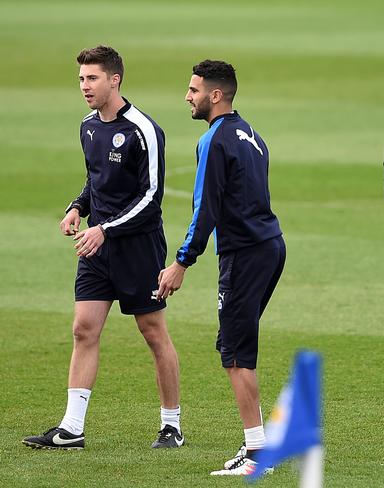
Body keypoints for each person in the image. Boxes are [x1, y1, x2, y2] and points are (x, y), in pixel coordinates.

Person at [22, 46, 184, 450]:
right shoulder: (87, 126)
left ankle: (172, 427)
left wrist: (105, 229)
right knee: (84, 329)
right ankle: (71, 428)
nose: (84, 87)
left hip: (137, 248)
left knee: (153, 333)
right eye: (81, 79)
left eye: (92, 78)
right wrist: (79, 207)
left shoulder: (143, 129)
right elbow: (96, 180)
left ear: (115, 80)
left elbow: (151, 198)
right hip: (97, 247)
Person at [156, 60, 285, 475]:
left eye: (193, 90)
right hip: (270, 246)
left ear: (215, 95)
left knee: (235, 354)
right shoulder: (253, 135)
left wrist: (181, 262)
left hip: (245, 254)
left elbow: (205, 208)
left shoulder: (214, 139)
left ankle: (257, 451)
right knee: (235, 344)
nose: (187, 96)